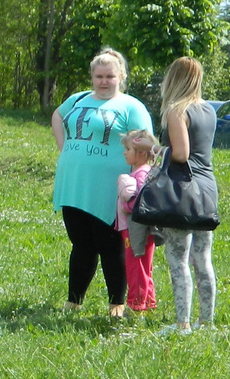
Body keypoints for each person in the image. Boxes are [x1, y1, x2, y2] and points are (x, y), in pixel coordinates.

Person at [51, 48, 152, 317]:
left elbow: (145, 145)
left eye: (110, 76)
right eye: (98, 76)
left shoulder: (131, 106)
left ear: (120, 76)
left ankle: (116, 304)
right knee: (80, 243)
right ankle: (73, 301)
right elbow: (57, 116)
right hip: (74, 184)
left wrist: (136, 179)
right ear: (92, 77)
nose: (103, 81)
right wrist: (66, 147)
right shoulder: (78, 99)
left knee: (110, 246)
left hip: (110, 188)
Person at [157, 56, 218, 334]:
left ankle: (182, 323)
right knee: (203, 259)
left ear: (174, 78)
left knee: (178, 259)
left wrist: (153, 147)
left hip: (182, 190)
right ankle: (206, 321)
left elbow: (181, 154)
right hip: (207, 189)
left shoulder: (176, 110)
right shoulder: (209, 110)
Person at [116, 130, 160, 314]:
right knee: (143, 265)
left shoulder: (141, 174)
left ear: (142, 152)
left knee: (136, 266)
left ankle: (136, 306)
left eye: (128, 149)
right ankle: (147, 302)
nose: (124, 152)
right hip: (136, 229)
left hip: (136, 229)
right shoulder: (143, 171)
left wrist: (126, 204)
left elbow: (141, 202)